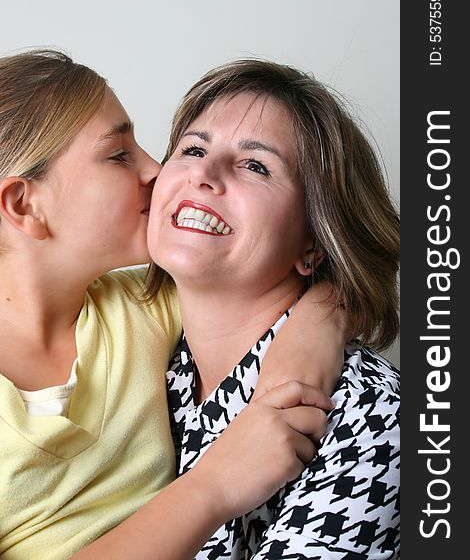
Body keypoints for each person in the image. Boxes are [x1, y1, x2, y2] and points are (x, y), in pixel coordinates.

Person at [0, 50, 349, 560]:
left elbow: (282, 272)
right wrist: (212, 487)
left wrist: (316, 325)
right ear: (24, 205)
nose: (156, 169)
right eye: (118, 154)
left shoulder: (140, 308)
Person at [138, 59, 399, 558]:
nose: (203, 174)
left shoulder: (370, 417)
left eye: (256, 165)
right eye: (192, 148)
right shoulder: (133, 353)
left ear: (316, 243)